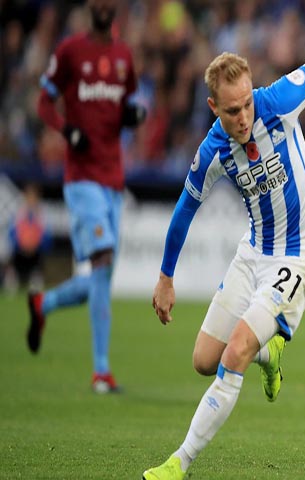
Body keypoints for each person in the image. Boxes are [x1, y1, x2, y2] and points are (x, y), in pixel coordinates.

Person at [142, 18, 305, 480]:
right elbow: (184, 210)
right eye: (232, 111)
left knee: (232, 355)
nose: (244, 117)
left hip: (298, 257)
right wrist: (165, 276)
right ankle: (270, 354)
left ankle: (179, 462)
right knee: (202, 360)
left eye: (247, 103)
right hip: (253, 253)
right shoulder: (212, 151)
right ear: (213, 107)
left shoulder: (278, 102)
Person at [29, 0, 146, 393]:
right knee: (103, 258)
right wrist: (65, 130)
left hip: (113, 177)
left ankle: (42, 304)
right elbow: (43, 101)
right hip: (81, 178)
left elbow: (125, 106)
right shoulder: (69, 51)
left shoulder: (123, 56)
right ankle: (101, 371)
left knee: (101, 276)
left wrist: (133, 116)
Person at [5, 183, 52, 292]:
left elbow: (47, 237)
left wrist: (36, 244)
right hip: (20, 251)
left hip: (36, 251)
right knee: (12, 256)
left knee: (39, 259)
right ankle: (12, 277)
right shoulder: (18, 213)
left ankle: (36, 279)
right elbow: (11, 234)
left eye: (34, 196)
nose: (31, 199)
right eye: (29, 196)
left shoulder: (42, 214)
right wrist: (21, 244)